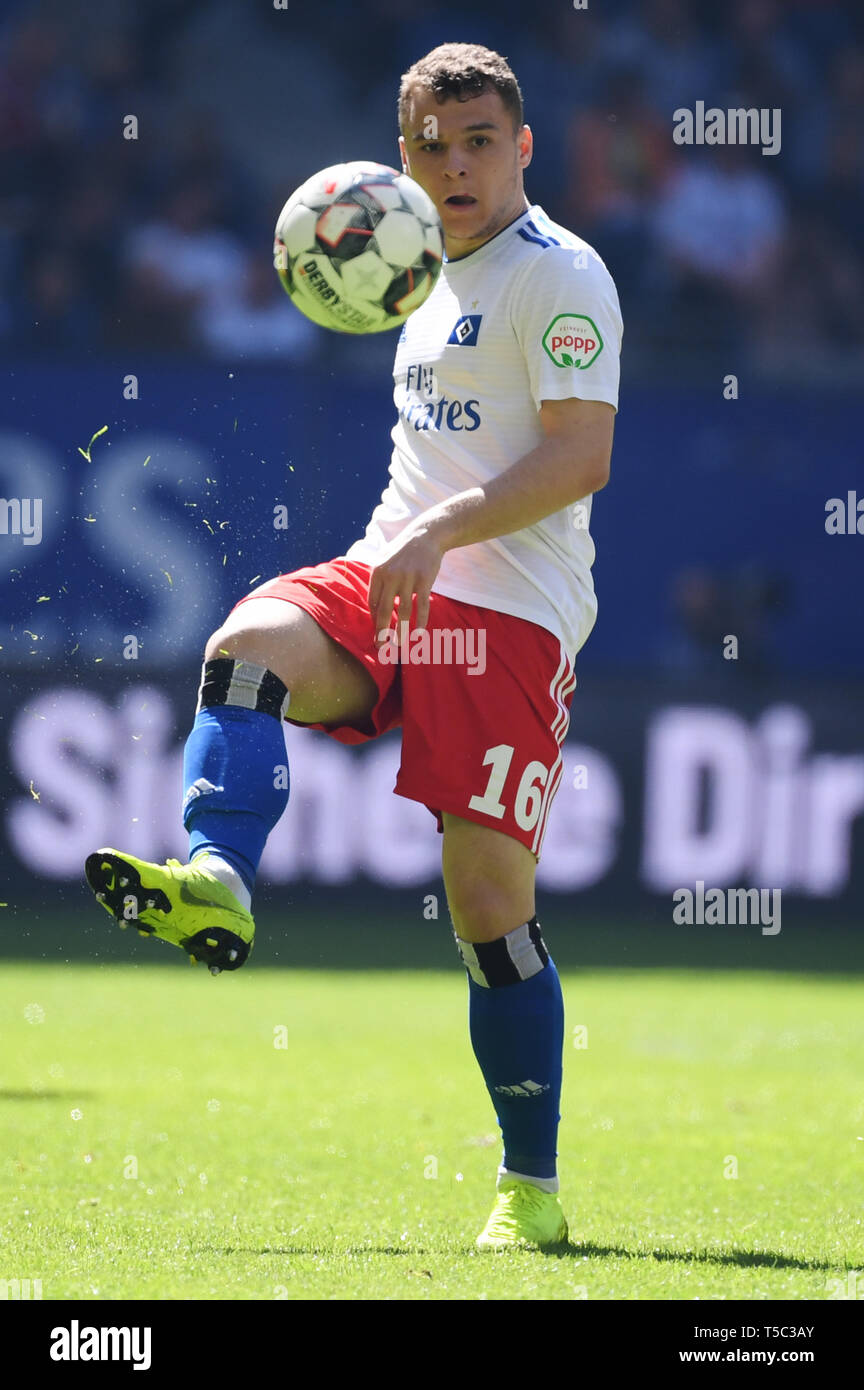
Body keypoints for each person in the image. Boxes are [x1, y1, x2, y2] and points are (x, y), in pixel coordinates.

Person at [85, 42, 622, 1251]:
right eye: (432, 145)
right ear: (401, 155)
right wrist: (415, 538)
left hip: (511, 618)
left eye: (480, 141)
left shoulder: (564, 277)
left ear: (523, 146)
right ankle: (219, 877)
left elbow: (582, 455)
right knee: (246, 643)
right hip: (394, 572)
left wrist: (443, 529)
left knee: (488, 909)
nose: (456, 165)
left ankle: (528, 1187)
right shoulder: (408, 265)